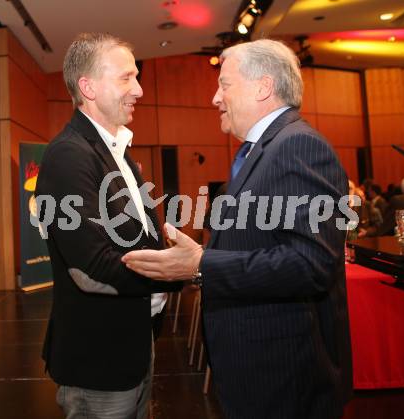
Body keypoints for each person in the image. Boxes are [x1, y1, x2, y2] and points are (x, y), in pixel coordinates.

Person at [123, 39, 353, 419]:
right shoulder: (261, 150)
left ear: (263, 86)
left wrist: (201, 264)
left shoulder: (298, 146)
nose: (215, 98)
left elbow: (310, 264)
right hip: (258, 367)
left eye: (224, 85)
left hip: (284, 375)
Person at [36, 32, 179, 419]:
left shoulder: (117, 151)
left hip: (134, 343)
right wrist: (176, 271)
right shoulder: (69, 156)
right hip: (98, 360)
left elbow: (139, 240)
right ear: (88, 87)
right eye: (126, 78)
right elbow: (90, 267)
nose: (139, 89)